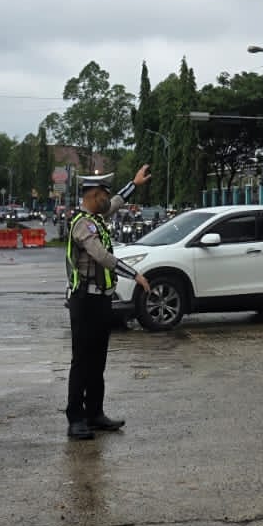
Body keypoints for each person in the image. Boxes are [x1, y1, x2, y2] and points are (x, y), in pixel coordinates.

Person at [65, 167, 153, 441]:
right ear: (93, 195)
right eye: (104, 194)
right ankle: (75, 418)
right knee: (82, 361)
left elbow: (116, 202)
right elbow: (101, 256)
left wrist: (134, 184)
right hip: (84, 301)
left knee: (98, 360)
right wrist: (134, 274)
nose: (108, 199)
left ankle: (95, 413)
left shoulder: (96, 217)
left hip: (102, 300)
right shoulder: (82, 224)